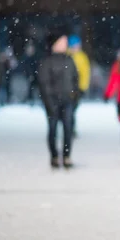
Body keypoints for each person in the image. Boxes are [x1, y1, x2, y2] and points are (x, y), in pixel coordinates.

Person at [38, 30, 79, 169]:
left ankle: (67, 156)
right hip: (53, 102)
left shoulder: (69, 59)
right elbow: (44, 83)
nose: (64, 44)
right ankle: (54, 156)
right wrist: (49, 102)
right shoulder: (47, 61)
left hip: (68, 101)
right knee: (53, 130)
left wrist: (74, 95)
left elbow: (75, 79)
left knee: (68, 129)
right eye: (61, 42)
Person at [67, 35, 91, 138]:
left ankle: (71, 128)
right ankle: (68, 128)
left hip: (77, 88)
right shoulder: (66, 55)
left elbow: (85, 73)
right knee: (67, 110)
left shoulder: (82, 57)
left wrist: (83, 87)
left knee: (72, 109)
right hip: (66, 87)